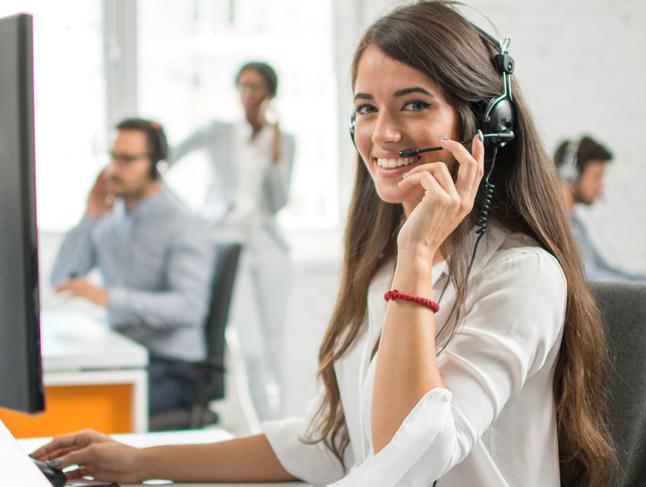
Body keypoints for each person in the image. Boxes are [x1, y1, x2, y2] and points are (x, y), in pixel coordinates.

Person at [34, 3, 616, 486]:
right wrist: (142, 463)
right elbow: (336, 444)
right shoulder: (384, 263)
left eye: (414, 104)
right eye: (366, 108)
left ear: (486, 123)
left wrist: (416, 258)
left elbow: (401, 460)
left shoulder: (523, 275)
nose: (382, 134)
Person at [50, 118, 215, 415]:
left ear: (155, 164)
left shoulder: (184, 224)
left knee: (80, 413)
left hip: (171, 367)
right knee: (53, 394)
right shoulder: (111, 218)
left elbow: (189, 307)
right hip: (121, 354)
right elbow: (61, 279)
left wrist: (109, 298)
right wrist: (89, 216)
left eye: (126, 160)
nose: (113, 170)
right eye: (112, 157)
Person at [168, 61, 295, 419]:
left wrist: (274, 158)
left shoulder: (284, 140)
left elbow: (279, 201)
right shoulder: (218, 131)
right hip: (225, 238)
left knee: (275, 344)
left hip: (267, 241)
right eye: (241, 86)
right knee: (249, 347)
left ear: (269, 94)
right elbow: (167, 159)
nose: (247, 95)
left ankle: (282, 426)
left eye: (254, 87)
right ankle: (261, 429)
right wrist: (194, 216)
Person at [555, 135, 646, 282]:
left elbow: (605, 269)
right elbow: (591, 278)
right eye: (596, 177)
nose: (601, 186)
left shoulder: (577, 225)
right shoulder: (560, 226)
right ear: (570, 175)